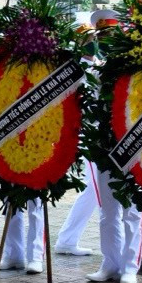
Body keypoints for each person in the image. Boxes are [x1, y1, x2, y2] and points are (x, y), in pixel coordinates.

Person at [86, 10, 142, 283]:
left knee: (131, 210)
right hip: (104, 146)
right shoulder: (96, 71)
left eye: (109, 36)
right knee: (108, 210)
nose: (104, 41)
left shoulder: (133, 70)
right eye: (101, 36)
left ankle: (130, 265)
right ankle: (110, 262)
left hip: (130, 145)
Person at [54, 13, 100, 258]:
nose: (94, 42)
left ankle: (68, 239)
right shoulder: (78, 70)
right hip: (88, 136)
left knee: (95, 191)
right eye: (90, 38)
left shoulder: (91, 66)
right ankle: (67, 239)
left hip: (94, 135)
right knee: (95, 189)